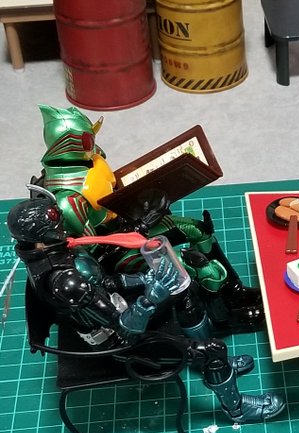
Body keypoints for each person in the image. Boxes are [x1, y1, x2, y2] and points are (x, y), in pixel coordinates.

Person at [7, 193, 285, 423]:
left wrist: (145, 279)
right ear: (43, 231)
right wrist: (150, 298)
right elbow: (124, 328)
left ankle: (205, 366)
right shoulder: (65, 280)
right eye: (55, 217)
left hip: (114, 311)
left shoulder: (54, 252)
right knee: (214, 349)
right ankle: (236, 408)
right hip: (117, 343)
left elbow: (106, 281)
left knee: (185, 291)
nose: (62, 220)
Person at [34, 104, 264, 332]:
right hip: (119, 253)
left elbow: (112, 191)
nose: (93, 142)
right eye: (87, 138)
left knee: (198, 230)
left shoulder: (89, 159)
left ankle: (234, 292)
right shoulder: (68, 200)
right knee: (195, 266)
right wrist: (143, 225)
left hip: (128, 224)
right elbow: (99, 255)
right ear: (71, 142)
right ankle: (222, 316)